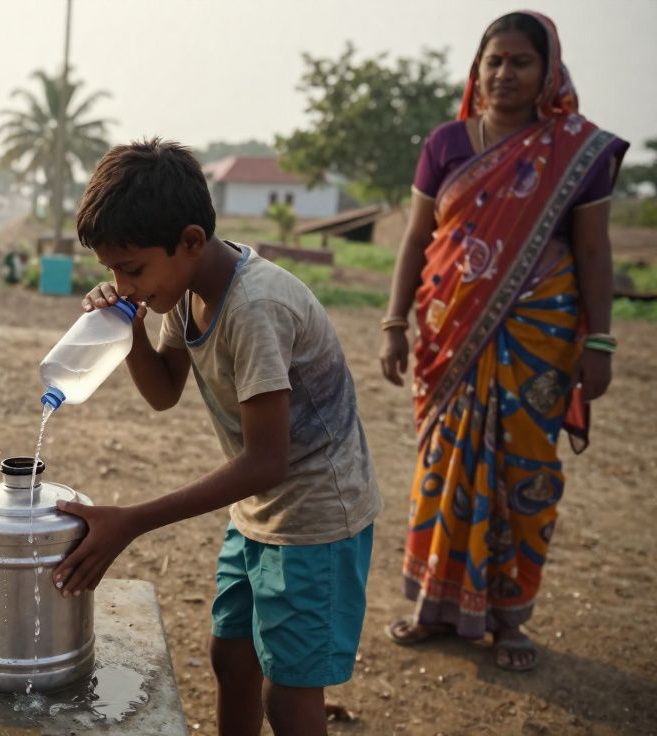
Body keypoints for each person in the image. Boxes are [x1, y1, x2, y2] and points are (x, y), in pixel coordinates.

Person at [52, 138, 382, 736]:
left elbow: (267, 461)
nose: (123, 285)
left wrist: (133, 520)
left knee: (289, 695)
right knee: (231, 657)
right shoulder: (183, 293)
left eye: (132, 270)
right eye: (112, 273)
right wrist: (128, 327)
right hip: (259, 511)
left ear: (190, 241)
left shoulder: (255, 307)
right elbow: (163, 390)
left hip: (316, 519)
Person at [378, 11, 628, 672]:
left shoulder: (576, 152)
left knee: (525, 473)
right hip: (448, 336)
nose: (504, 73)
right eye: (494, 60)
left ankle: (510, 619)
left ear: (549, 72)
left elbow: (593, 250)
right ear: (477, 69)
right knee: (441, 468)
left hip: (539, 340)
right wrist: (395, 322)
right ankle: (433, 605)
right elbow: (417, 238)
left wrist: (600, 342)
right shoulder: (446, 143)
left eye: (521, 61)